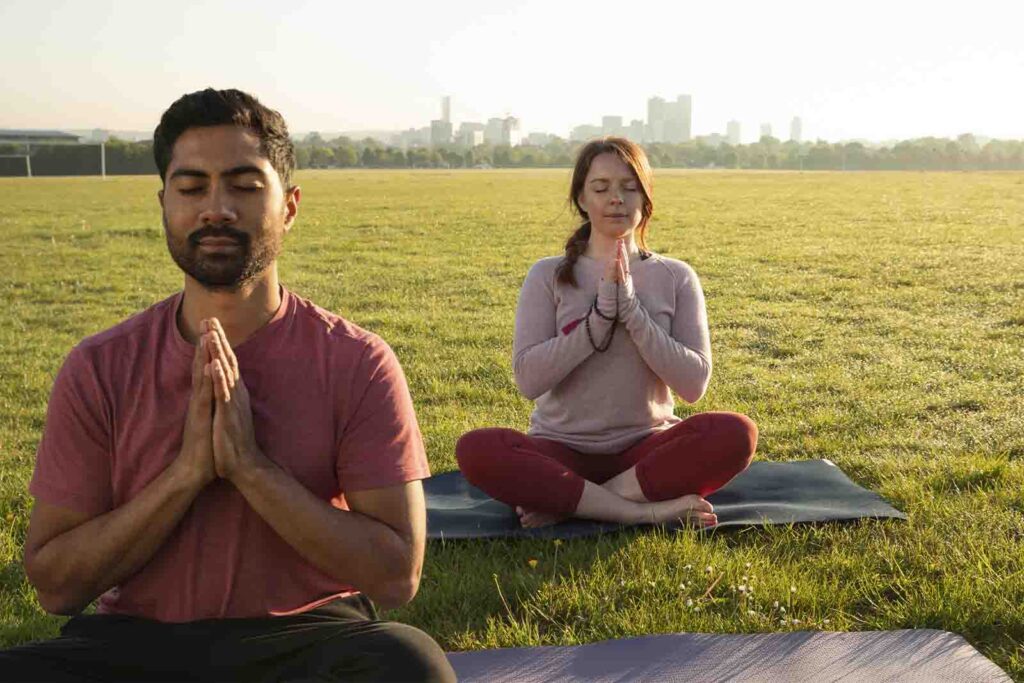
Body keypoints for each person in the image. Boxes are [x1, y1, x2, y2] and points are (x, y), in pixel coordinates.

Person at [1, 88, 455, 682]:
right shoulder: (99, 367)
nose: (216, 208)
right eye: (192, 188)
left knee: (408, 664)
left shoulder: (357, 361)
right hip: (137, 645)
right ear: (164, 204)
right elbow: (57, 587)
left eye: (243, 185)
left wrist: (251, 469)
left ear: (289, 206)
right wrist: (187, 475)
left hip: (307, 641)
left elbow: (396, 575)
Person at [457, 138, 758, 529]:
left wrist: (632, 312)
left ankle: (575, 502)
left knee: (735, 433)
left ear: (645, 199)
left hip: (645, 452)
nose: (615, 198)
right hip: (562, 450)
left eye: (629, 187)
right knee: (479, 449)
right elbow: (529, 380)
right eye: (601, 188)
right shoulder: (546, 275)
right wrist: (598, 318)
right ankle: (640, 511)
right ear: (582, 198)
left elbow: (694, 384)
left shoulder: (676, 276)